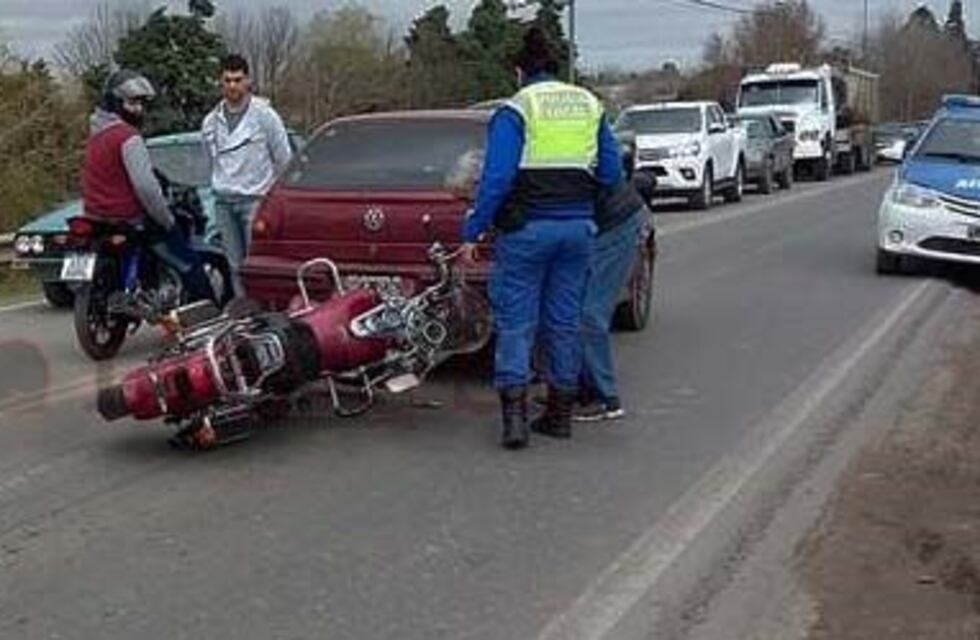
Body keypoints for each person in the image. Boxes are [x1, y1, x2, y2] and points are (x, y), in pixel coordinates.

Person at [461, 28, 623, 450]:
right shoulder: (590, 104)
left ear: (520, 72)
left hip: (527, 230)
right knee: (563, 322)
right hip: (577, 230)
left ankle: (514, 422)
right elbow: (611, 172)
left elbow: (496, 178)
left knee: (517, 323)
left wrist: (474, 229)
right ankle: (560, 415)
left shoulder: (517, 109)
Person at [82, 69, 214, 303]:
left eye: (142, 103)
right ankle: (209, 314)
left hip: (96, 217)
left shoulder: (96, 136)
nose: (139, 110)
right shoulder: (128, 137)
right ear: (116, 102)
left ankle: (147, 284)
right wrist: (167, 219)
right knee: (187, 259)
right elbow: (146, 188)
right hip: (129, 218)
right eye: (132, 103)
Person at [575, 142, 654, 422]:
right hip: (595, 224)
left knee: (588, 313)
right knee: (572, 310)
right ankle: (577, 387)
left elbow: (612, 171)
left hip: (614, 225)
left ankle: (603, 397)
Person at [202, 54, 292, 295]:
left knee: (257, 265)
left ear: (247, 81)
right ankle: (244, 314)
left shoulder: (265, 117)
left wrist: (276, 199)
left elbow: (283, 158)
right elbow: (212, 161)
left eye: (238, 80)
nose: (233, 85)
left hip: (255, 200)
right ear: (220, 82)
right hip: (224, 201)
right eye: (227, 80)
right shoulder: (211, 122)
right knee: (235, 265)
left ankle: (262, 312)